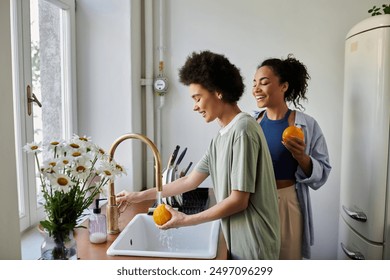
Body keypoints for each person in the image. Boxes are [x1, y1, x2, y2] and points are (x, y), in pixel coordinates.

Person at [116, 50, 280, 260]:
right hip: (239, 242)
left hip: (255, 245)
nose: (195, 106)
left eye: (198, 98)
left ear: (218, 92)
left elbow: (239, 200)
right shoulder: (221, 137)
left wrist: (185, 220)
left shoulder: (243, 130)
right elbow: (189, 181)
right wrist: (137, 196)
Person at [252, 54, 331, 259]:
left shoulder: (307, 125)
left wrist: (301, 157)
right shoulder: (251, 124)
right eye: (254, 83)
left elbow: (323, 171)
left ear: (283, 86)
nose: (256, 89)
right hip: (254, 202)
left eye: (264, 82)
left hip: (286, 203)